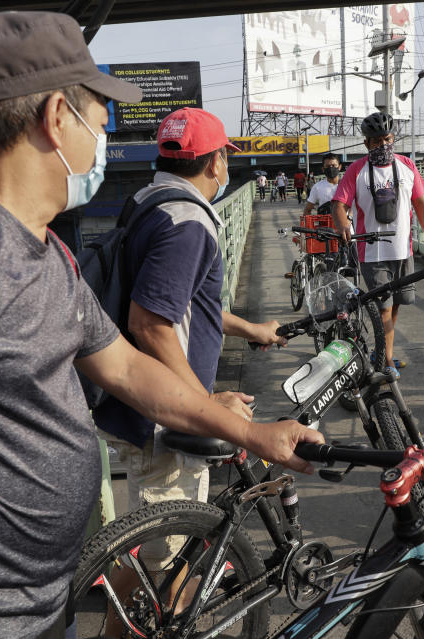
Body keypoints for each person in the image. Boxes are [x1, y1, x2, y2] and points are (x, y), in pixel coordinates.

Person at [0, 12, 321, 639]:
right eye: (101, 118)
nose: (106, 140)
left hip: (34, 610)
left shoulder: (46, 252)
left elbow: (123, 366)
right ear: (58, 117)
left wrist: (251, 433)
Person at [94, 107, 288, 514]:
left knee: (158, 551)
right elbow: (149, 325)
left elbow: (174, 304)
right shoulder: (188, 224)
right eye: (226, 157)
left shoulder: (148, 200)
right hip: (166, 422)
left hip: (144, 406)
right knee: (163, 557)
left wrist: (249, 330)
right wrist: (205, 404)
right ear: (216, 161)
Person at [332, 112, 424, 375]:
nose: (383, 145)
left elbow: (421, 203)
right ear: (366, 143)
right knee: (384, 309)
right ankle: (386, 362)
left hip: (403, 249)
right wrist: (343, 224)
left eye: (387, 139)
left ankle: (383, 351)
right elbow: (338, 204)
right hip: (372, 251)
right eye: (376, 141)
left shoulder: (407, 166)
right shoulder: (356, 170)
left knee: (396, 304)